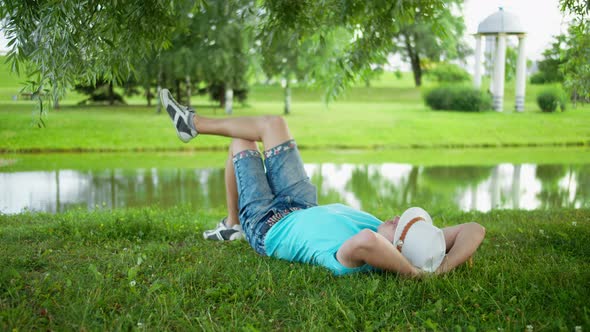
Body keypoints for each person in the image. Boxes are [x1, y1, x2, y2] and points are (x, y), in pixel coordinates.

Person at [161, 89, 486, 277]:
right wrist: (443, 265)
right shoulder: (393, 236)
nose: (398, 217)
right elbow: (475, 228)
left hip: (267, 224)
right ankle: (193, 125)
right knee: (274, 123)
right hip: (300, 202)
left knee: (240, 145)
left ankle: (235, 223)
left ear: (397, 248)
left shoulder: (356, 260)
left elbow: (366, 243)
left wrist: (414, 274)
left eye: (401, 227)